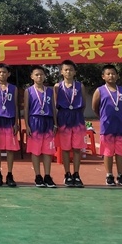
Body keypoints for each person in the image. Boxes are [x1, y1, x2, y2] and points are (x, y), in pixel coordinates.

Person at [92, 64, 122, 187]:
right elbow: (95, 107)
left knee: (121, 152)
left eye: (113, 73)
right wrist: (103, 117)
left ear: (117, 76)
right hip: (107, 126)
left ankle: (120, 175)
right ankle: (109, 175)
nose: (111, 76)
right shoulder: (100, 90)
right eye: (108, 74)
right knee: (108, 152)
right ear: (103, 76)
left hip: (121, 126)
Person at [54, 59, 87, 188]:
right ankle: (67, 174)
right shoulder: (57, 87)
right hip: (63, 117)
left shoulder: (80, 86)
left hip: (77, 118)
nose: (68, 72)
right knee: (65, 148)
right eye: (66, 70)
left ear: (75, 72)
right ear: (61, 72)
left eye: (71, 70)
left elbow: (84, 104)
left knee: (77, 148)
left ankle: (76, 174)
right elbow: (54, 105)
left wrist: (77, 114)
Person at [23, 65, 57, 188]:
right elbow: (26, 109)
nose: (39, 77)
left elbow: (53, 107)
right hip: (35, 121)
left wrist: (55, 123)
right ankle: (38, 176)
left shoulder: (50, 91)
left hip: (48, 121)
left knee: (48, 151)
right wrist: (27, 125)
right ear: (32, 76)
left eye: (41, 74)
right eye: (37, 75)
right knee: (35, 151)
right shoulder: (29, 91)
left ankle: (47, 176)